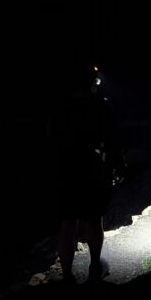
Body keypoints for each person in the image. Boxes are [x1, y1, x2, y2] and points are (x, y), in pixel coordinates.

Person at [48, 63, 126, 284]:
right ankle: (94, 267)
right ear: (92, 83)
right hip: (94, 173)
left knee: (67, 225)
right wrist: (119, 166)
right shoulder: (102, 107)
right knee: (93, 221)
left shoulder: (59, 109)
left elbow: (51, 144)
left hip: (66, 175)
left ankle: (66, 276)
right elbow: (112, 141)